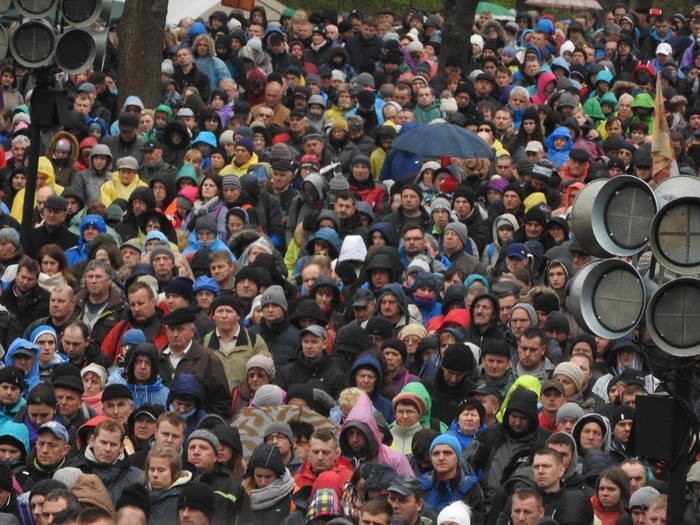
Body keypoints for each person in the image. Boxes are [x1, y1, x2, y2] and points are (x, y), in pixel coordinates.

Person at [157, 308, 231, 418]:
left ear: (192, 331)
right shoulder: (157, 357)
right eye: (171, 329)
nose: (175, 334)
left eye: (180, 329)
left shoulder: (208, 359)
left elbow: (221, 402)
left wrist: (206, 424)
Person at [186, 429, 251, 524]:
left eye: (203, 448)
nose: (196, 452)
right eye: (192, 447)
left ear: (215, 457)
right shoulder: (175, 482)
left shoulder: (232, 488)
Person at [71, 419, 143, 502]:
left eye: (113, 444)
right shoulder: (72, 471)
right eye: (103, 443)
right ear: (92, 441)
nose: (107, 449)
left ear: (121, 447)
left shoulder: (138, 477)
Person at [419, 434, 484, 520]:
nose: (441, 458)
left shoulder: (470, 486)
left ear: (457, 457)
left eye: (447, 453)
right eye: (436, 453)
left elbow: (478, 520)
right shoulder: (421, 484)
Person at [241, 443, 294, 525]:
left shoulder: (292, 496)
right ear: (252, 473)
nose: (263, 482)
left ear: (278, 475)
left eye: (268, 477)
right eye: (258, 476)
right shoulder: (242, 493)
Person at [145, 447, 193, 525]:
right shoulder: (139, 494)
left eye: (161, 470)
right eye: (152, 469)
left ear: (175, 473)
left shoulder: (184, 499)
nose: (155, 475)